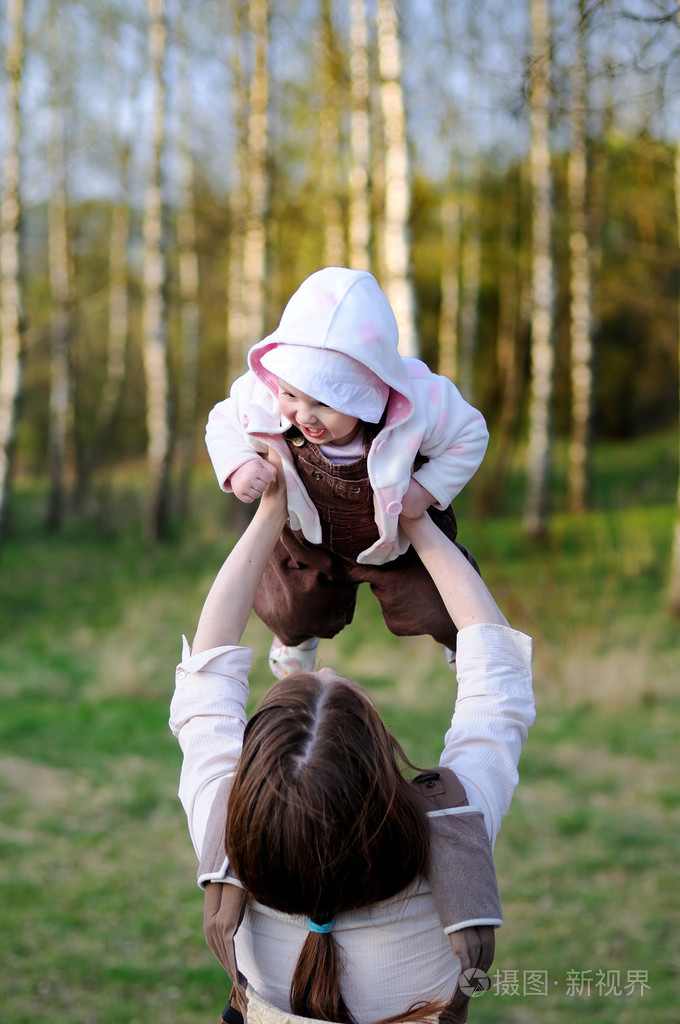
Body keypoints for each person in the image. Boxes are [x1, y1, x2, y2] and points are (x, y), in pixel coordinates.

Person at [170, 450, 535, 1024]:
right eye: (350, 695)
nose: (329, 669)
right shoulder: (451, 845)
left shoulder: (232, 842)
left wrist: (271, 511)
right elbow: (498, 681)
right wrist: (415, 516)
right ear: (383, 782)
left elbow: (206, 684)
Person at [204, 266, 489, 678]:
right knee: (285, 606)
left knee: (437, 603)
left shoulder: (423, 402)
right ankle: (295, 640)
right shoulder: (260, 396)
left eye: (325, 404)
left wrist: (427, 489)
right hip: (309, 536)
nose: (304, 415)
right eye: (290, 395)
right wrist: (241, 464)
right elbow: (222, 422)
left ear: (368, 392)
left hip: (399, 540)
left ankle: (466, 642)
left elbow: (470, 434)